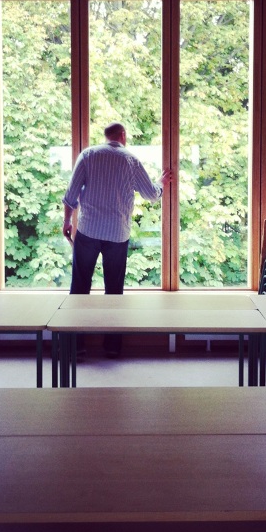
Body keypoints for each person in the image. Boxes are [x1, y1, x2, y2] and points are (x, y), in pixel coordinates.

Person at [62, 122, 172, 357]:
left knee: (80, 286)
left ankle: (77, 345)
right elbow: (151, 194)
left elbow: (71, 195)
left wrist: (67, 221)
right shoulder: (130, 160)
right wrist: (161, 183)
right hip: (117, 234)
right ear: (123, 135)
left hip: (88, 231)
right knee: (114, 290)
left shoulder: (88, 155)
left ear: (106, 136)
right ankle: (112, 347)